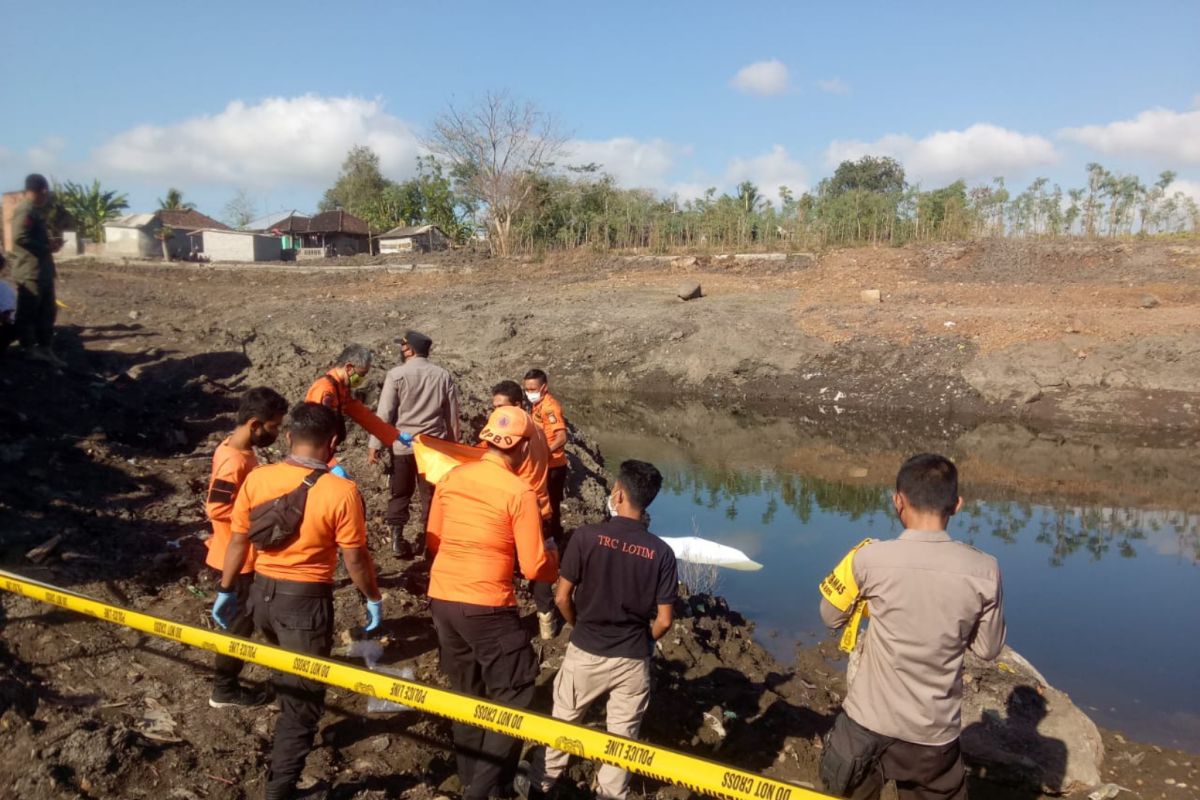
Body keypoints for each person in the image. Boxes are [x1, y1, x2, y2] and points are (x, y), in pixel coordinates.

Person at [212, 402, 384, 800]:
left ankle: (285, 738)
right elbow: (354, 558)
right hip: (304, 604)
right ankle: (280, 789)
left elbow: (238, 540)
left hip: (260, 596)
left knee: (283, 670)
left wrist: (225, 590)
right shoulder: (342, 491)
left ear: (289, 437)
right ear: (334, 442)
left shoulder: (258, 478)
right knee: (304, 701)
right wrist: (372, 597)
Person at [818, 453, 1006, 800]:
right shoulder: (985, 571)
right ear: (957, 505)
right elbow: (988, 649)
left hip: (866, 724)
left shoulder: (868, 559)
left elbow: (830, 616)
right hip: (932, 734)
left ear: (898, 501)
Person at [426, 406, 559, 800]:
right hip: (486, 603)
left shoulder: (451, 478)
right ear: (520, 446)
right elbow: (534, 565)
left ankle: (472, 778)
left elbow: (433, 540)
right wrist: (554, 560)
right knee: (515, 693)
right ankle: (482, 792)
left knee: (467, 694)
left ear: (487, 439)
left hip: (443, 598)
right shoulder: (520, 492)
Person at [525, 460, 678, 800]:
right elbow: (665, 619)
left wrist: (578, 625)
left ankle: (542, 786)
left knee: (563, 723)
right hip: (632, 660)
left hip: (587, 650)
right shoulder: (662, 553)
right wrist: (643, 642)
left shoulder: (587, 536)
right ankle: (609, 794)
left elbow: (562, 596)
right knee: (621, 741)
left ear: (618, 493)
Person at [204, 386, 288, 708]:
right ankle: (224, 689)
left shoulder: (239, 450)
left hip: (240, 556)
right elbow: (216, 508)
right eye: (273, 426)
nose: (276, 433)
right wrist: (260, 515)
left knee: (252, 619)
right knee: (240, 628)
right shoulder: (233, 461)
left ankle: (283, 672)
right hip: (235, 560)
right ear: (255, 424)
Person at [367, 331, 461, 558]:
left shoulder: (396, 374)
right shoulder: (443, 376)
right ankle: (431, 544)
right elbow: (452, 417)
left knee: (400, 493)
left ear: (409, 349)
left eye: (403, 346)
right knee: (431, 497)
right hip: (432, 449)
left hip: (403, 447)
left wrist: (375, 445)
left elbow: (385, 414)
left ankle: (397, 542)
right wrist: (453, 446)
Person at [523, 368, 569, 637]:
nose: (530, 390)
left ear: (544, 386)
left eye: (533, 387)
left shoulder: (550, 406)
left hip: (553, 466)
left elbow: (560, 437)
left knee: (550, 507)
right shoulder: (535, 406)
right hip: (544, 464)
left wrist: (542, 452)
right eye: (526, 386)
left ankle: (553, 547)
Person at [304, 343, 399, 460]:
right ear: (349, 367)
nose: (362, 379)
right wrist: (330, 465)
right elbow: (314, 433)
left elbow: (364, 416)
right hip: (312, 456)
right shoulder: (325, 390)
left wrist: (394, 435)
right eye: (362, 374)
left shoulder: (340, 389)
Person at [9, 174, 66, 367]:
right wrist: (45, 247)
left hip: (42, 271)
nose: (47, 196)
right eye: (46, 193)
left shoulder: (35, 211)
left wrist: (49, 244)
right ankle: (29, 349)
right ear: (42, 191)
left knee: (47, 311)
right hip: (30, 272)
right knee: (28, 312)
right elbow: (20, 238)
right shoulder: (25, 211)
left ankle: (45, 348)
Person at [491, 380, 552, 535]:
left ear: (517, 406)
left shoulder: (516, 437)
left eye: (501, 407)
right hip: (540, 507)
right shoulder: (538, 430)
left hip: (522, 510)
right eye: (494, 408)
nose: (496, 413)